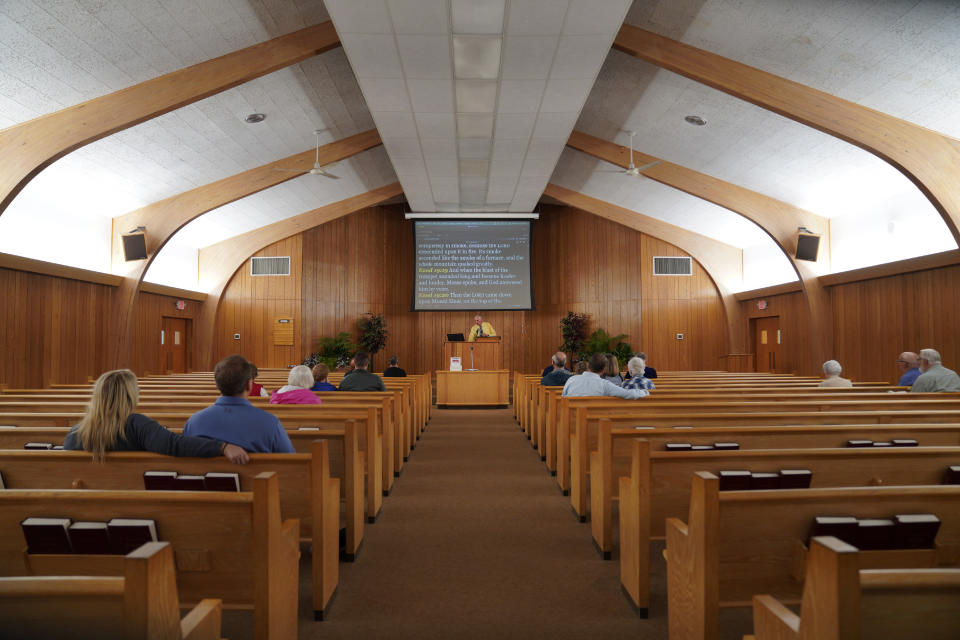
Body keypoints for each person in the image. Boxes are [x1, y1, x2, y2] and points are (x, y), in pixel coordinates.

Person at [64, 369, 249, 463]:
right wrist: (222, 446)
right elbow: (175, 445)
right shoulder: (136, 425)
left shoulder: (75, 433)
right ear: (129, 396)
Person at [184, 355, 295, 453]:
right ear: (249, 385)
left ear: (218, 384)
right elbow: (291, 464)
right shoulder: (269, 423)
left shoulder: (193, 422)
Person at [562, 353, 649, 399]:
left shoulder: (571, 380)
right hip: (595, 423)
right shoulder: (604, 385)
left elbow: (563, 398)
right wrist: (644, 392)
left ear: (588, 366)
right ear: (604, 369)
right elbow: (627, 394)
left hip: (570, 422)